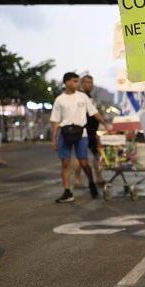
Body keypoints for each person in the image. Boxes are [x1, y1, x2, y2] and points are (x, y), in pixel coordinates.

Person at [50, 72, 110, 203]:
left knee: (84, 162)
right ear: (67, 82)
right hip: (64, 133)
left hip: (81, 133)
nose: (77, 84)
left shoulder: (83, 97)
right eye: (74, 81)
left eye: (77, 81)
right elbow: (55, 120)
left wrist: (105, 124)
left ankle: (91, 183)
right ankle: (67, 191)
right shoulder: (59, 99)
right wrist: (54, 138)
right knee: (65, 163)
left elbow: (94, 112)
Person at [74, 75, 105, 188]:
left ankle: (99, 178)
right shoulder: (80, 96)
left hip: (92, 132)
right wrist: (105, 124)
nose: (89, 84)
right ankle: (77, 181)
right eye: (87, 82)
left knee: (97, 155)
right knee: (80, 157)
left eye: (91, 82)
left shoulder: (88, 96)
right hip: (83, 132)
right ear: (82, 83)